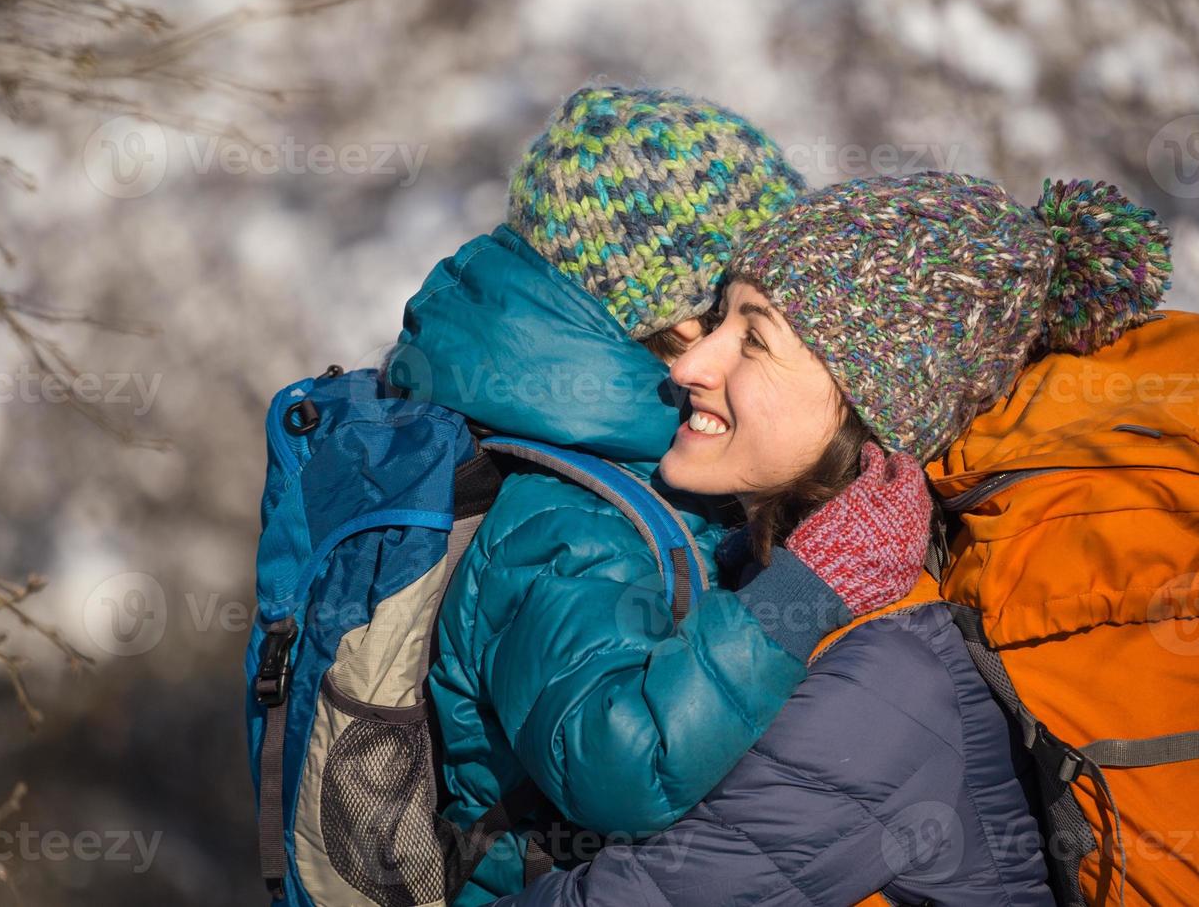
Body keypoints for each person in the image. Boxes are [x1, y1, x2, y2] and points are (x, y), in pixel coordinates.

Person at [492, 170, 1173, 906]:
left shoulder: (886, 679)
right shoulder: (777, 587)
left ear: (865, 408)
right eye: (718, 319)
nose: (689, 364)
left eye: (752, 339)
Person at [386, 87, 933, 904]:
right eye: (737, 319)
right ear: (676, 320)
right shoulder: (562, 514)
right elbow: (618, 763)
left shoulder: (639, 473)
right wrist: (804, 590)